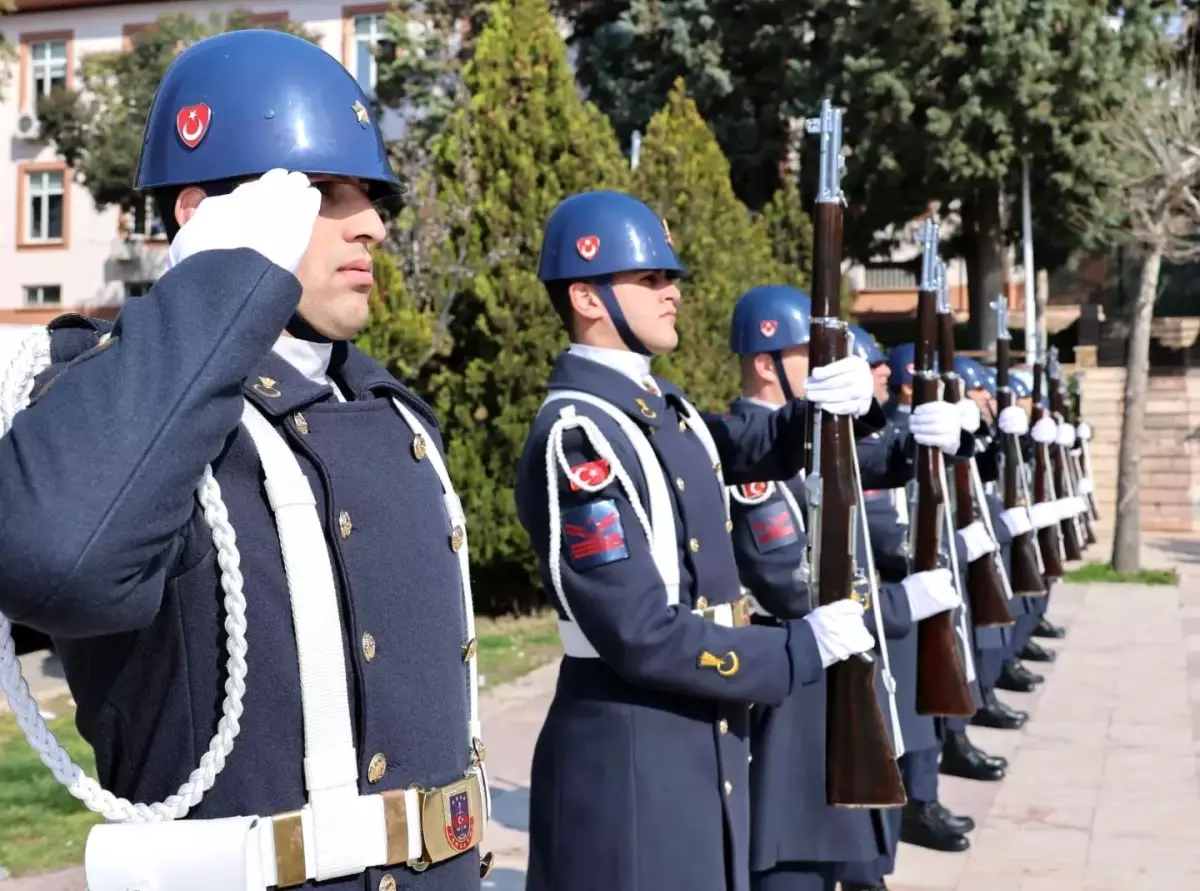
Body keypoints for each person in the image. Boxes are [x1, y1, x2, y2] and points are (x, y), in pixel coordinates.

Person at [0, 29, 489, 891]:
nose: (372, 224)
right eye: (326, 192)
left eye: (370, 193)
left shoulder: (385, 410)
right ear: (205, 215)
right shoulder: (121, 409)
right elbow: (52, 559)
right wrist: (220, 285)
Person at [514, 194, 881, 891]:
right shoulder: (578, 436)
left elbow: (754, 442)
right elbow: (640, 632)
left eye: (670, 277)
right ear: (588, 296)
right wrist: (797, 648)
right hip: (629, 753)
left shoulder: (663, 408)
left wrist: (831, 406)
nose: (672, 292)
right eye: (650, 278)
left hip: (698, 734)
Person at [722, 293, 964, 891]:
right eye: (812, 354)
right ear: (764, 362)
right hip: (796, 702)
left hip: (844, 680)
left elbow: (883, 461)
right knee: (796, 870)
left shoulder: (817, 448)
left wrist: (932, 438)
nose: (830, 368)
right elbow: (793, 589)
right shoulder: (748, 461)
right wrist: (902, 604)